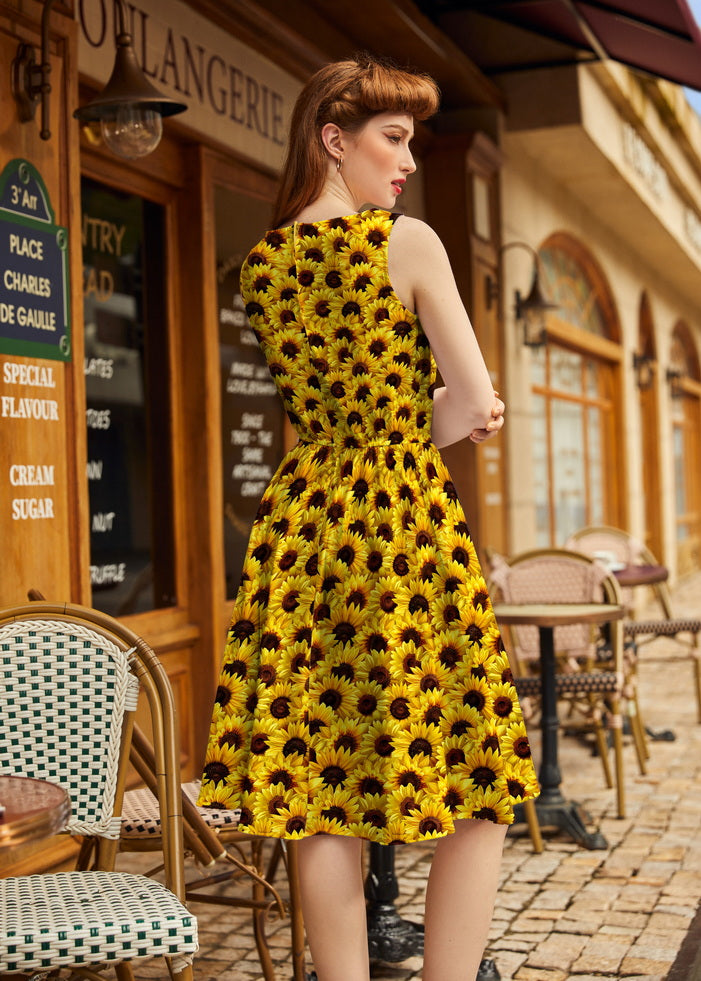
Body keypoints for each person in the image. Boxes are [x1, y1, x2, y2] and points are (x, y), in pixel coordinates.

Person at [199, 54, 539, 981]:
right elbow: (468, 404)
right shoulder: (408, 243)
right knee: (477, 781)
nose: (405, 163)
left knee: (320, 790)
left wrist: (420, 408)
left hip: (303, 526)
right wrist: (457, 407)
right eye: (392, 140)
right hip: (398, 523)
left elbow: (334, 411)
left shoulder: (263, 266)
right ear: (332, 138)